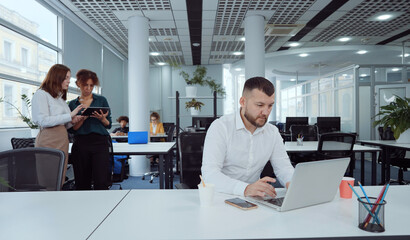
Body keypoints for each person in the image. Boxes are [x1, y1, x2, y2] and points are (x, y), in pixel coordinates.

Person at [201, 76, 294, 197]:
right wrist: (245, 189)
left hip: (253, 198)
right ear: (243, 102)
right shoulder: (220, 127)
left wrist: (293, 183)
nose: (266, 112)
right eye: (260, 105)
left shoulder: (272, 132)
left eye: (270, 105)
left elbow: (284, 168)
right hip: (220, 196)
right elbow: (210, 174)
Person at [32, 64, 84, 186]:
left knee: (59, 178)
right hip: (48, 140)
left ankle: (57, 202)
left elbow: (63, 124)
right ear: (57, 77)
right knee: (48, 179)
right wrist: (70, 115)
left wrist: (73, 121)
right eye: (66, 77)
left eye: (69, 77)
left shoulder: (60, 98)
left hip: (62, 140)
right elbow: (42, 120)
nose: (69, 81)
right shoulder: (41, 94)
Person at [69, 69, 112, 190]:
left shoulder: (101, 100)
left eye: (91, 85)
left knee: (101, 180)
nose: (88, 88)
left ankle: (103, 207)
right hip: (81, 143)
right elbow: (73, 129)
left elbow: (108, 124)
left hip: (100, 143)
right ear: (78, 84)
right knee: (82, 181)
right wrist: (83, 118)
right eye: (85, 85)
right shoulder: (73, 104)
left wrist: (102, 119)